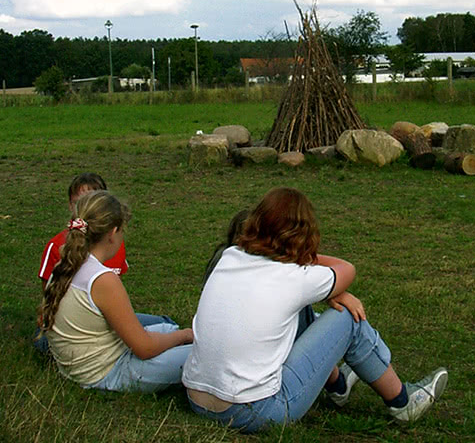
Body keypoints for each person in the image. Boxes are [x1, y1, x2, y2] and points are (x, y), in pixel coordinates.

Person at [183, 187, 447, 432]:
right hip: (256, 411)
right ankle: (403, 402)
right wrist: (307, 264)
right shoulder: (295, 277)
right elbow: (347, 269)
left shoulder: (230, 256)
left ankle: (337, 386)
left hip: (197, 398)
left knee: (300, 309)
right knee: (347, 319)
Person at [38, 190, 193, 392]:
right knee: (207, 355)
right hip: (108, 373)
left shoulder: (65, 265)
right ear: (112, 233)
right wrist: (184, 335)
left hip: (83, 365)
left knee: (167, 329)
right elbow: (144, 348)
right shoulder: (102, 279)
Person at [34, 173, 173, 354]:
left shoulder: (114, 246)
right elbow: (49, 296)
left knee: (167, 324)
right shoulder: (58, 247)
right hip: (74, 327)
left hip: (102, 317)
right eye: (80, 202)